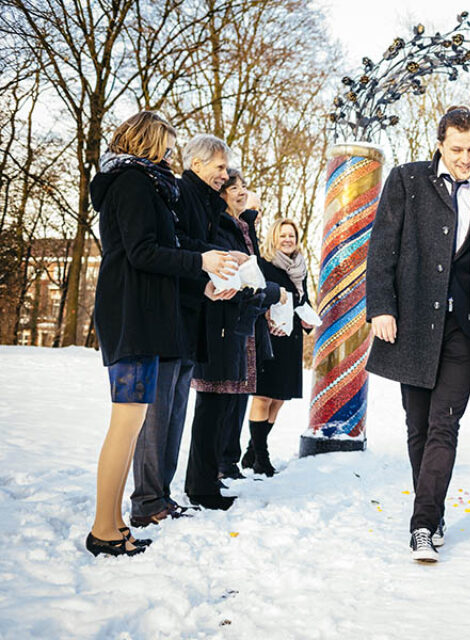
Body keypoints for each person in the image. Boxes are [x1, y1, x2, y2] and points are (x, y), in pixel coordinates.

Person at [366, 106, 470, 563]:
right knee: (418, 425)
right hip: (412, 322)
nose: (466, 158)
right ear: (439, 144)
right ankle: (433, 512)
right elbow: (382, 245)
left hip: (464, 329)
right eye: (457, 150)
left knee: (443, 425)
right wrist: (381, 308)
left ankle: (422, 525)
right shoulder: (408, 180)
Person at [87, 111, 237, 555]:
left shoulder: (145, 183)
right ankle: (103, 529)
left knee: (130, 425)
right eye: (168, 148)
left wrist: (205, 270)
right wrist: (201, 262)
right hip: (131, 316)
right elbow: (143, 251)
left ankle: (113, 523)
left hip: (145, 315)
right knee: (126, 424)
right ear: (149, 144)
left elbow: (167, 247)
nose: (172, 156)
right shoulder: (133, 183)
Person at [129, 133, 239, 528]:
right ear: (197, 164)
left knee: (175, 413)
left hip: (193, 316)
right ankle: (146, 500)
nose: (225, 176)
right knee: (158, 416)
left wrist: (215, 271)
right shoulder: (180, 193)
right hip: (169, 317)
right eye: (220, 167)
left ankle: (162, 495)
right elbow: (176, 244)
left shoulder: (207, 201)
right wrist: (211, 261)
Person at [186, 168, 283, 510]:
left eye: (244, 186)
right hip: (221, 324)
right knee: (212, 407)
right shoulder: (221, 225)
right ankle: (200, 487)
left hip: (241, 323)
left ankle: (210, 479)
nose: (242, 191)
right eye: (234, 187)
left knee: (226, 409)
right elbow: (237, 275)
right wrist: (272, 293)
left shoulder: (241, 226)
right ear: (221, 194)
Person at [242, 218, 316, 476]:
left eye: (292, 236)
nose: (288, 239)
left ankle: (252, 450)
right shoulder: (264, 265)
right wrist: (265, 316)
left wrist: (309, 319)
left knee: (280, 398)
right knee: (263, 396)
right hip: (269, 338)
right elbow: (254, 297)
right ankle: (262, 457)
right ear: (275, 238)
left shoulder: (300, 269)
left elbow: (302, 300)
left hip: (291, 339)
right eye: (283, 235)